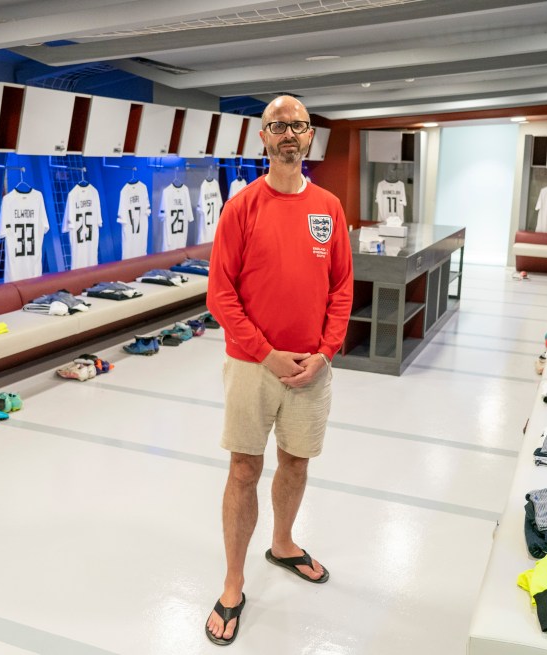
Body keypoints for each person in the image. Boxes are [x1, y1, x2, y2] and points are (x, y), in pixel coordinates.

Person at [204, 95, 354, 646]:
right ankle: (233, 581)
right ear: (263, 137)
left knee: (295, 463)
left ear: (310, 136)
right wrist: (266, 353)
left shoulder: (329, 209)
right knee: (244, 470)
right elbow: (220, 294)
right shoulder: (242, 207)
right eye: (278, 126)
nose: (289, 134)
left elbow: (341, 288)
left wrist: (326, 352)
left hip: (312, 368)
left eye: (298, 126)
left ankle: (284, 543)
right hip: (252, 366)